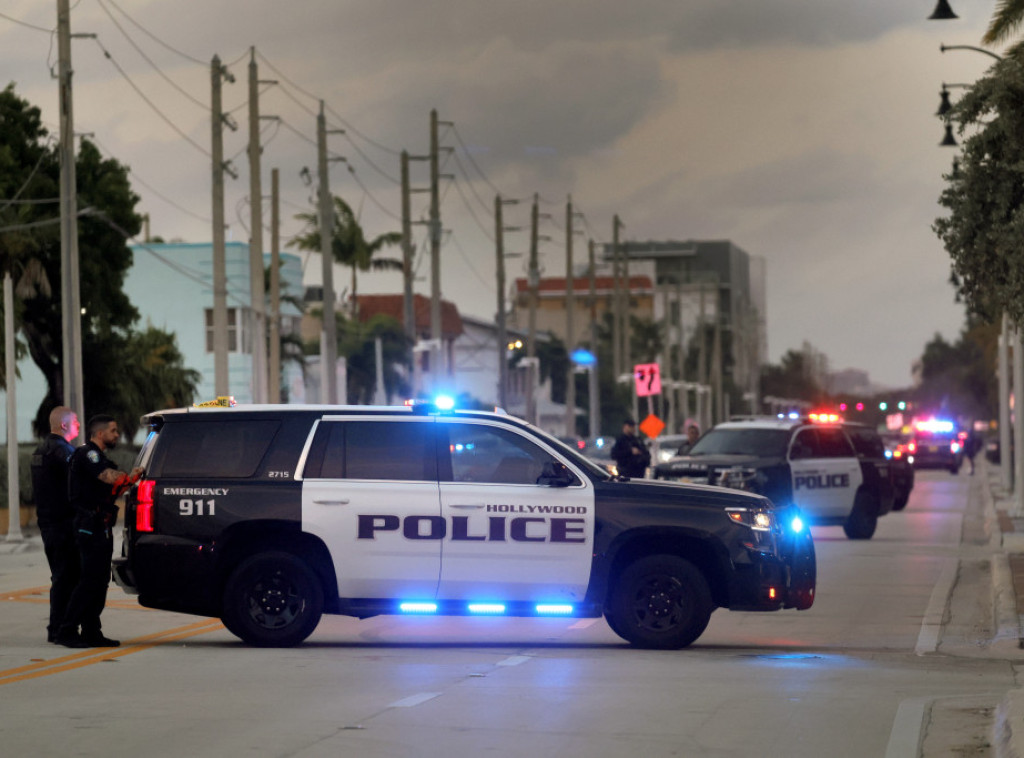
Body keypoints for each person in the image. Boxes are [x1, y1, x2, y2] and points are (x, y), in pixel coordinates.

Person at [55, 415, 143, 649]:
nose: (117, 435)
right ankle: (68, 630)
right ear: (100, 433)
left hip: (100, 525)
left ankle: (92, 631)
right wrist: (131, 476)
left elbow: (113, 486)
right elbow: (107, 477)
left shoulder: (98, 456)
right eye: (113, 431)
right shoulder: (89, 454)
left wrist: (130, 480)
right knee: (89, 580)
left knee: (99, 580)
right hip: (89, 526)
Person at [30, 406, 81, 644]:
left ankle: (57, 628)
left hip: (49, 523)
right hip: (62, 524)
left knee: (60, 576)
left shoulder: (41, 450)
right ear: (64, 425)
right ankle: (61, 629)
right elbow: (80, 477)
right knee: (67, 577)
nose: (78, 426)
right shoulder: (62, 451)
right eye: (75, 422)